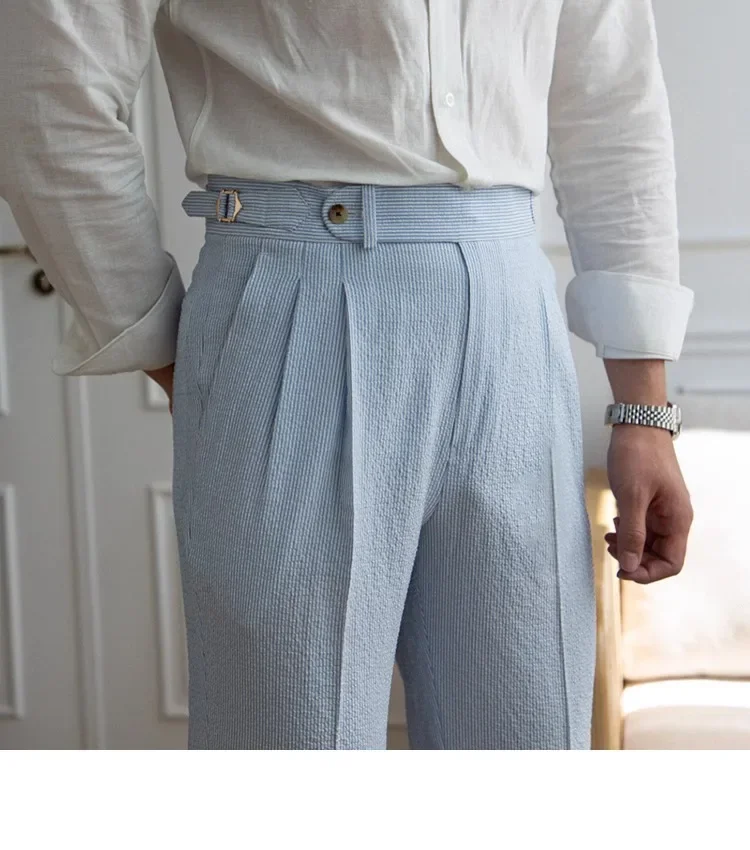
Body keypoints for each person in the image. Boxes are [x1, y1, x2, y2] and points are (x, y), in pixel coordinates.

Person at [0, 1, 694, 750]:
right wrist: (170, 349)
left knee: (530, 740)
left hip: (514, 322)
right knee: (289, 743)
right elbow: (46, 94)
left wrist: (644, 411)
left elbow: (612, 110)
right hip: (293, 306)